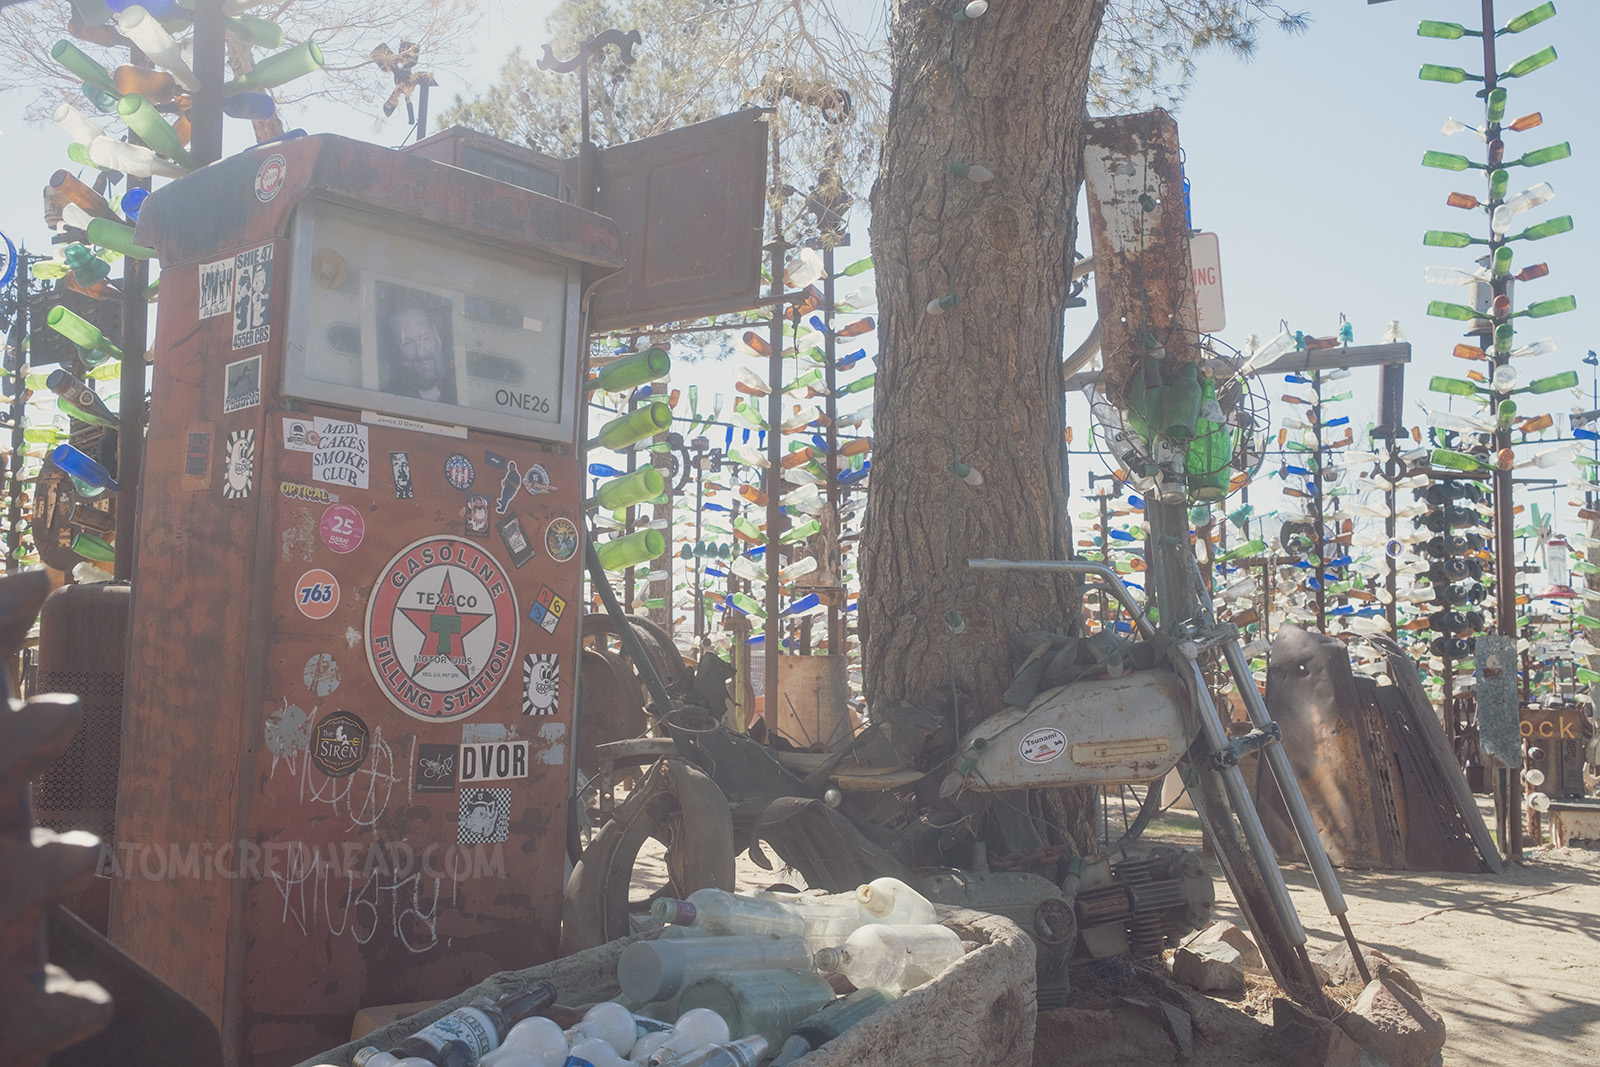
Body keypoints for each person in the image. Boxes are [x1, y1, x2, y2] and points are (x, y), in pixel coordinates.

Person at [382, 299, 457, 404]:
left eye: (424, 338)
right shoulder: (388, 398)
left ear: (438, 339)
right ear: (396, 351)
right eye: (408, 343)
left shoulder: (461, 387)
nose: (420, 353)